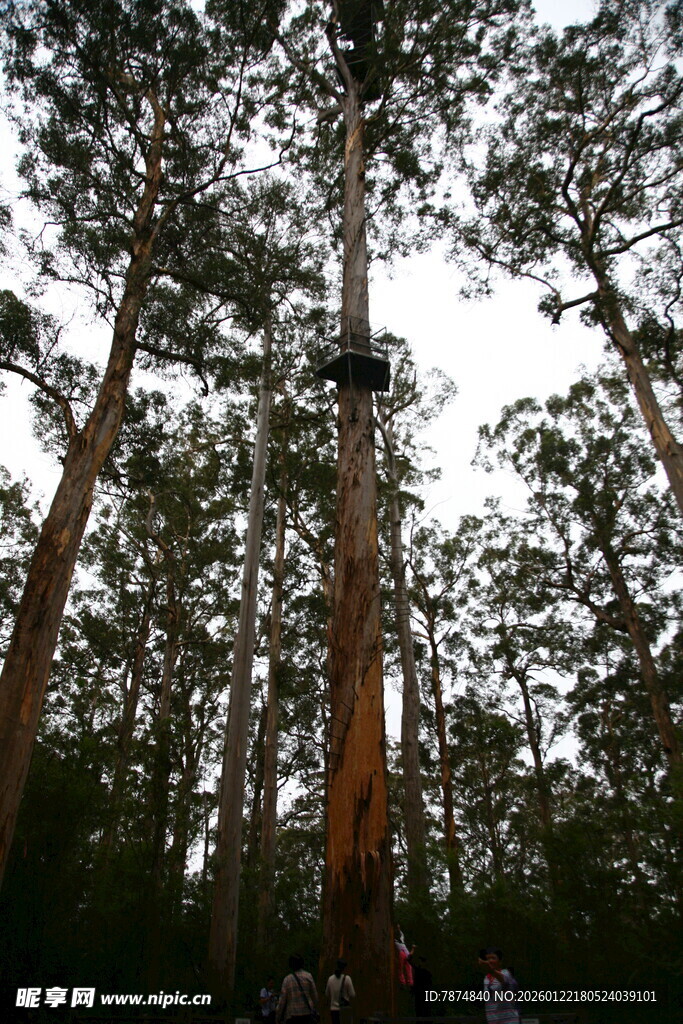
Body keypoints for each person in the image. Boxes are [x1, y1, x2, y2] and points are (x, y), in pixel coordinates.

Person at [478, 948, 520, 1024]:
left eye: (493, 958)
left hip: (509, 1020)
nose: (490, 961)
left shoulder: (506, 974)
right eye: (488, 959)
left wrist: (489, 968)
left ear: (500, 961)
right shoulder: (486, 979)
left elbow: (502, 979)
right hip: (493, 1020)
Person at [277, 954, 319, 1024]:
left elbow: (282, 1000)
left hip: (292, 1015)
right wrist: (317, 1011)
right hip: (307, 1013)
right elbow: (315, 996)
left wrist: (278, 1016)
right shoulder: (308, 976)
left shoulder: (287, 979)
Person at [325, 958, 355, 1024]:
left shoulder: (330, 979)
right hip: (344, 1010)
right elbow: (352, 994)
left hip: (333, 1010)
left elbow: (327, 994)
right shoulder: (347, 979)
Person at [407, 948, 432, 1018]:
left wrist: (412, 950)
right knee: (423, 1011)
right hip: (423, 993)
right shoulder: (426, 972)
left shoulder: (420, 970)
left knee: (420, 1011)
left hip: (420, 993)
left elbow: (409, 960)